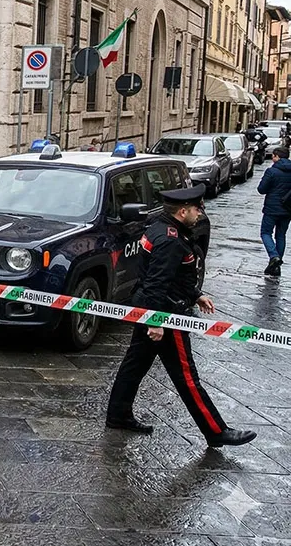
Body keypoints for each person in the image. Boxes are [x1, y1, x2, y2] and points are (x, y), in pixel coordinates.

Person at [105, 184, 256, 447]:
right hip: (167, 313)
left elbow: (173, 276)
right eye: (198, 208)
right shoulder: (170, 240)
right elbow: (157, 282)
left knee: (134, 365)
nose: (200, 213)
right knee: (186, 376)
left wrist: (196, 294)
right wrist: (156, 320)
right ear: (183, 210)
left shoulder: (161, 227)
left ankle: (118, 414)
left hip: (152, 306)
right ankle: (216, 431)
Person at [257, 146, 291, 276]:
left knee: (265, 233)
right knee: (281, 235)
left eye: (273, 156)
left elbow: (261, 189)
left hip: (272, 208)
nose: (272, 158)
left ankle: (274, 256)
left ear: (277, 157)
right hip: (288, 209)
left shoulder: (271, 171)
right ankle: (276, 267)